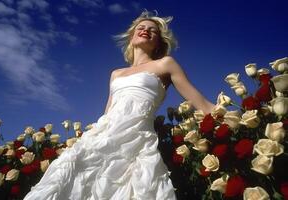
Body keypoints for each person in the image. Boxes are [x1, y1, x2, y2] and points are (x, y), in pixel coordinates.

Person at [24, 10, 215, 200]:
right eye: (141, 27)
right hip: (104, 137)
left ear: (159, 42)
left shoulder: (166, 64)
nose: (146, 30)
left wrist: (233, 115)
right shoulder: (116, 73)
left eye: (153, 30)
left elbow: (201, 103)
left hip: (136, 141)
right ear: (132, 37)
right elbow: (108, 112)